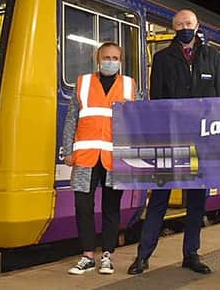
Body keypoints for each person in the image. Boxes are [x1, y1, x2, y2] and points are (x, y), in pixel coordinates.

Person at [127, 9, 220, 275]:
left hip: (201, 142)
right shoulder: (162, 58)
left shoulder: (212, 57)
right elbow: (157, 101)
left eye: (188, 23)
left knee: (196, 202)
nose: (184, 27)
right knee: (159, 199)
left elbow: (218, 101)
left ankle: (191, 255)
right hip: (169, 140)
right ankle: (143, 255)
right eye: (179, 24)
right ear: (173, 27)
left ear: (197, 25)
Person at [63, 42, 139, 275]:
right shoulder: (83, 83)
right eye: (106, 57)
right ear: (98, 59)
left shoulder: (128, 85)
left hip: (114, 157)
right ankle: (87, 256)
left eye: (115, 58)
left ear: (120, 61)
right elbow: (71, 119)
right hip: (85, 156)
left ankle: (107, 255)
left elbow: (135, 123)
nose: (110, 61)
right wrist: (68, 150)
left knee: (111, 207)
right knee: (82, 206)